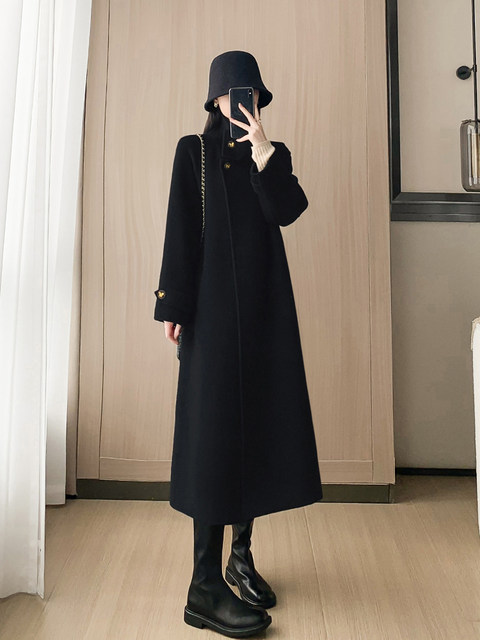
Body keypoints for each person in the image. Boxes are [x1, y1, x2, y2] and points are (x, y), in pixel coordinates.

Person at [153, 50, 323, 637]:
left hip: (265, 314)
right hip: (212, 317)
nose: (242, 103)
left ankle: (240, 560)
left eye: (250, 94)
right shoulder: (192, 153)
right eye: (232, 94)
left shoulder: (271, 154)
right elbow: (180, 228)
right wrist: (173, 305)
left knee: (254, 430)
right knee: (213, 438)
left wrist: (265, 155)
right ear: (216, 100)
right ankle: (203, 585)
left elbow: (289, 210)